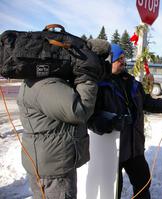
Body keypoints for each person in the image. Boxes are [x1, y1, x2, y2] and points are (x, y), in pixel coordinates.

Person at [16, 39, 111, 198]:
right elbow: (79, 111)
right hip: (53, 170)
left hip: (52, 163)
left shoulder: (49, 80)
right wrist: (87, 76)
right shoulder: (46, 84)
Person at [88, 43, 162, 199]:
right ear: (108, 61)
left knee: (143, 183)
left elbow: (147, 102)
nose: (124, 62)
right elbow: (90, 118)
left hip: (134, 148)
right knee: (112, 190)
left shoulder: (132, 83)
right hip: (112, 150)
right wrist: (110, 122)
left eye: (124, 58)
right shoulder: (98, 86)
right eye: (120, 59)